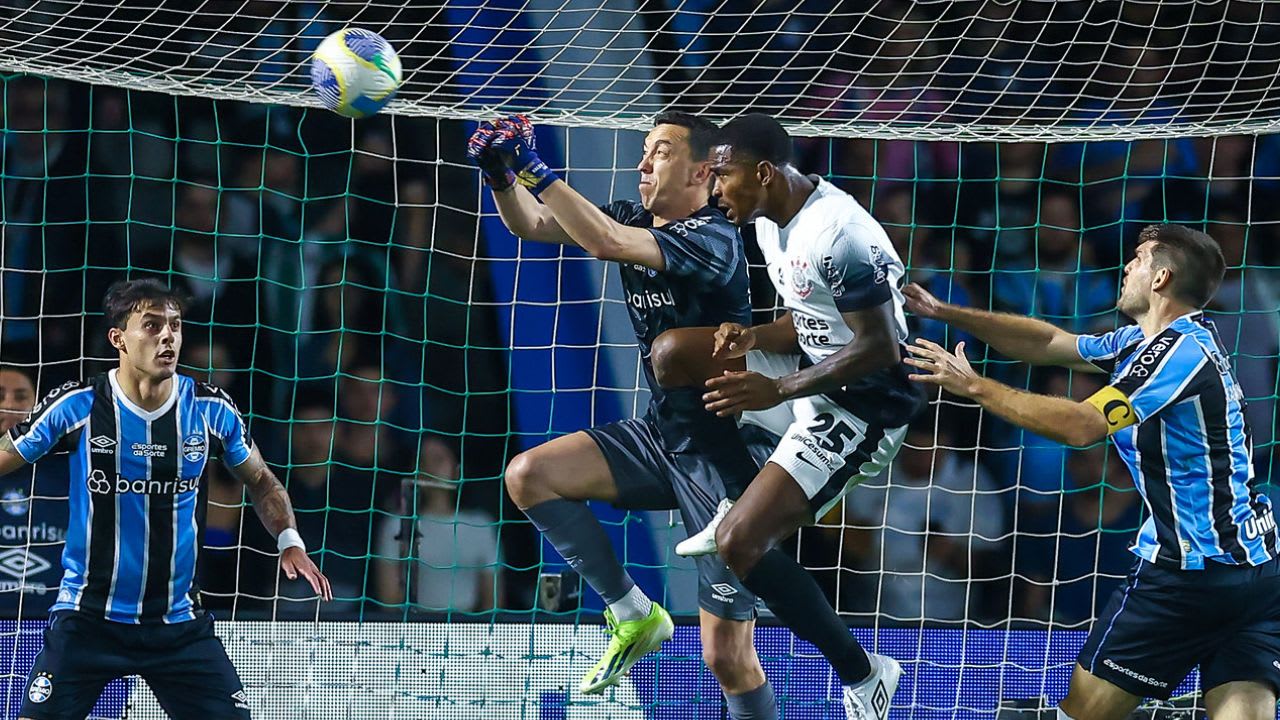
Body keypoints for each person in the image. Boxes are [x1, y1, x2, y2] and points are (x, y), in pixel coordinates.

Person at [468, 112, 779, 718]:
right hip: (661, 435)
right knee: (529, 475)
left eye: (659, 152)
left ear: (700, 172)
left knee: (727, 657)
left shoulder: (714, 238)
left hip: (726, 456)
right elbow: (531, 224)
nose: (642, 163)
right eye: (644, 150)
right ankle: (633, 613)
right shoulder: (633, 217)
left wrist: (533, 166)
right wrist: (500, 175)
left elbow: (604, 242)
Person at [902, 225, 1279, 719]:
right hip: (1257, 569)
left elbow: (1082, 426)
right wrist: (946, 312)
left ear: (1161, 277)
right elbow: (1052, 341)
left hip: (1188, 577)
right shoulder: (1153, 342)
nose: (1127, 268)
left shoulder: (1176, 354)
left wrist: (973, 385)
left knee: (1080, 714)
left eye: (1138, 260)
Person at [648, 113, 926, 718]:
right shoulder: (774, 221)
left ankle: (866, 673)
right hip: (808, 373)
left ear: (764, 173)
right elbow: (809, 320)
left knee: (738, 544)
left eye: (722, 176)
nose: (715, 190)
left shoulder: (841, 233)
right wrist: (751, 337)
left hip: (862, 406)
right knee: (673, 354)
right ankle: (730, 489)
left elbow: (880, 347)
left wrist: (778, 390)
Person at [3, 279, 332, 720]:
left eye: (175, 326)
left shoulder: (211, 409)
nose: (168, 337)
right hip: (87, 620)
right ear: (118, 337)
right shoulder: (78, 405)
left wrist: (289, 539)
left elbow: (262, 481)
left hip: (178, 626)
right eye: (152, 325)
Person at [373, 436, 501, 613]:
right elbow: (388, 600)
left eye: (438, 460)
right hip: (414, 629)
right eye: (423, 462)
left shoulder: (481, 525)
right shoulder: (396, 525)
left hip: (469, 630)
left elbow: (492, 600)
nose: (430, 468)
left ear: (456, 470)